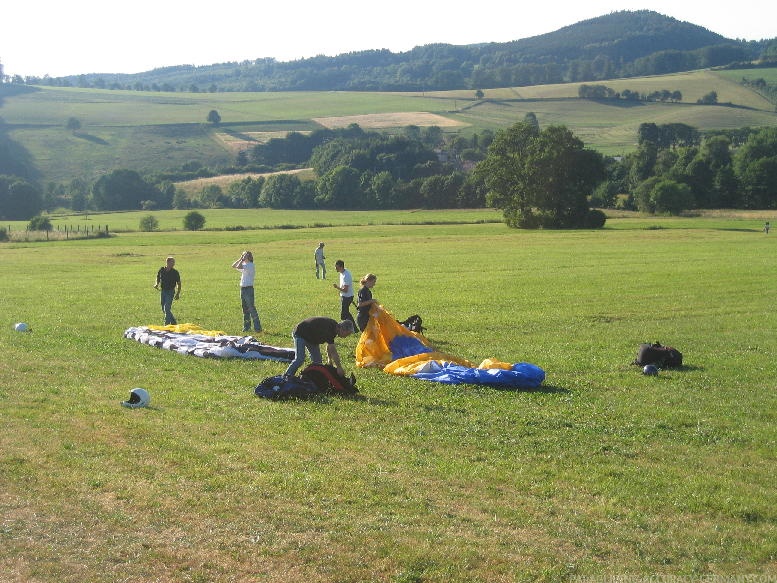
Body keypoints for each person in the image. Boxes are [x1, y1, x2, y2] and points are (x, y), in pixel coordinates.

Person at [284, 317, 355, 377]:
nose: (346, 337)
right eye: (347, 334)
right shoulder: (329, 330)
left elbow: (329, 346)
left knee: (318, 363)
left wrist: (329, 360)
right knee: (300, 359)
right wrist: (339, 367)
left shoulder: (335, 327)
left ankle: (312, 379)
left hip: (312, 338)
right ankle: (286, 377)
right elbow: (333, 351)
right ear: (342, 329)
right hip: (300, 333)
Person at [231, 250, 262, 333]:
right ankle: (247, 327)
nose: (243, 257)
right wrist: (240, 259)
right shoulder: (245, 265)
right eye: (243, 255)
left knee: (252, 309)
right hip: (243, 289)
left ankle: (257, 328)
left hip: (248, 289)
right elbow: (233, 266)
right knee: (245, 310)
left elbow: (238, 267)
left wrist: (241, 260)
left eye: (245, 255)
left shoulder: (250, 265)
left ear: (249, 257)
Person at [154, 256, 181, 325]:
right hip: (163, 291)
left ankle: (166, 325)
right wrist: (156, 284)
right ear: (167, 262)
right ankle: (174, 323)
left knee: (166, 308)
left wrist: (178, 293)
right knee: (164, 309)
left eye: (174, 263)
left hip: (170, 292)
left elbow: (179, 283)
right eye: (172, 262)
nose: (174, 264)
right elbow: (158, 277)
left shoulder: (175, 272)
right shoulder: (161, 270)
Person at [333, 259, 356, 328]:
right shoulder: (342, 273)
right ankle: (351, 328)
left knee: (344, 314)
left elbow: (345, 290)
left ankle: (351, 328)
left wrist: (337, 287)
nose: (335, 268)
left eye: (336, 267)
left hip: (347, 297)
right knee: (345, 313)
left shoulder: (346, 275)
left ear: (341, 267)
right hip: (344, 296)